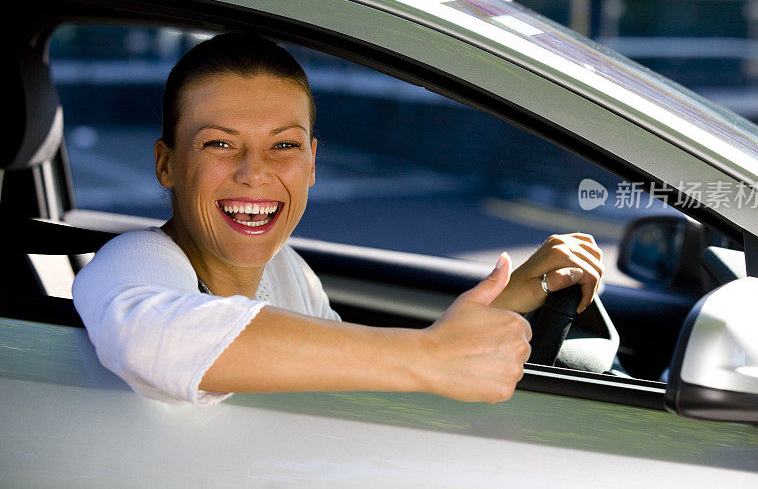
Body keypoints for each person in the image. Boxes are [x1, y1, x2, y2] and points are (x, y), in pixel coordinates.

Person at [72, 33, 604, 406]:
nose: (254, 173)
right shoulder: (134, 260)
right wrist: (429, 355)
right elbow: (149, 339)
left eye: (283, 145)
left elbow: (350, 374)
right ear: (167, 164)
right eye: (220, 144)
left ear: (311, 163)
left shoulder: (289, 272)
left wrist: (516, 294)